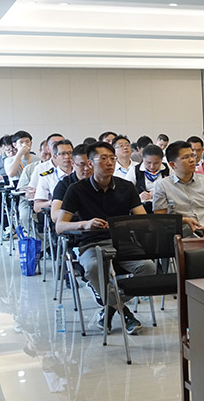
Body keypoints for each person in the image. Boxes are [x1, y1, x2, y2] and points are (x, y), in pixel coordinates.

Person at [56, 142, 152, 334]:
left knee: (148, 267)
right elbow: (60, 226)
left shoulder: (126, 187)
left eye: (112, 158)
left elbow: (143, 220)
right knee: (92, 267)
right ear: (90, 163)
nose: (109, 163)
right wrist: (85, 224)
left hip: (123, 243)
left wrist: (128, 224)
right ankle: (123, 311)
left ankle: (109, 308)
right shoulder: (76, 189)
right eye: (103, 159)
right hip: (91, 244)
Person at [153, 141, 204, 238]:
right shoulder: (162, 185)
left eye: (192, 156)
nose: (192, 160)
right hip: (184, 232)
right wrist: (183, 220)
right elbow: (160, 219)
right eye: (185, 157)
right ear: (172, 164)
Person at [50, 144, 92, 223]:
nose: (87, 168)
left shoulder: (102, 181)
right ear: (73, 163)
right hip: (74, 226)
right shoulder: (64, 185)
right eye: (81, 164)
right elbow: (55, 215)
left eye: (90, 164)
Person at [33, 139, 74, 213]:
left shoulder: (81, 174)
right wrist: (51, 202)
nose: (67, 156)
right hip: (58, 214)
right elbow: (37, 207)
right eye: (62, 153)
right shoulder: (47, 177)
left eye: (70, 153)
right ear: (55, 157)